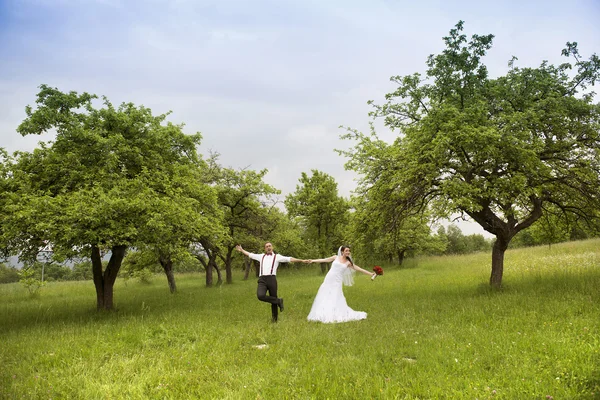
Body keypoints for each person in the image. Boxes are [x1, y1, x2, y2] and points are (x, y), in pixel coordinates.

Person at [236, 242, 308, 323]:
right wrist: (241, 250)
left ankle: (274, 320)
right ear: (265, 249)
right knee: (260, 296)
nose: (268, 247)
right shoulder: (261, 256)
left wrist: (301, 260)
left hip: (272, 279)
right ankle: (278, 301)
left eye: (269, 246)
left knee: (273, 299)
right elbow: (250, 254)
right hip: (262, 279)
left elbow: (289, 259)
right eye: (266, 246)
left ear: (272, 247)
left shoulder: (277, 257)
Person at [306, 245, 377, 323]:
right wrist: (312, 260)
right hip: (329, 278)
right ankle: (323, 312)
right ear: (342, 251)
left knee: (335, 295)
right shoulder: (335, 257)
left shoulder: (348, 262)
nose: (348, 252)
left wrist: (370, 273)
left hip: (337, 281)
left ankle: (334, 313)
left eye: (349, 251)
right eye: (346, 251)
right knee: (325, 294)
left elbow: (358, 268)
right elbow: (324, 260)